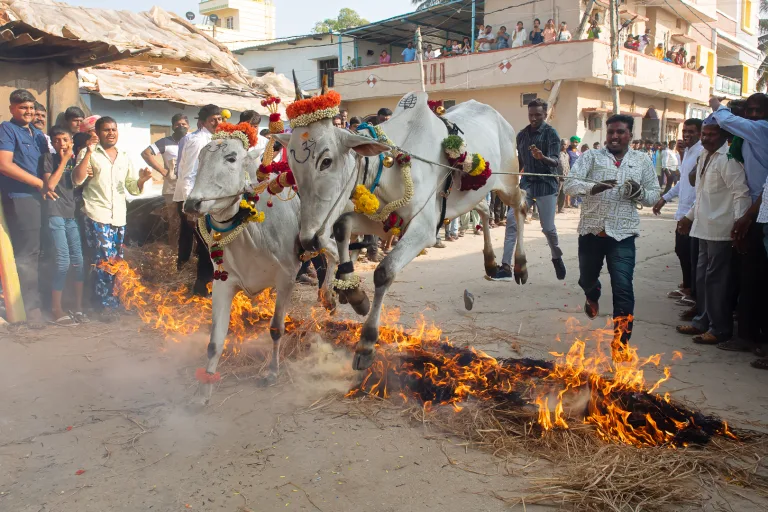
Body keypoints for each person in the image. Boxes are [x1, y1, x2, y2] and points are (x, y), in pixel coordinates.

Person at [564, 115, 660, 351]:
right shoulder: (591, 157)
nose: (615, 136)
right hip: (591, 233)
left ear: (630, 135)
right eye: (611, 132)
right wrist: (592, 187)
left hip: (623, 236)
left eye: (620, 132)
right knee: (586, 279)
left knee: (623, 287)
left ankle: (621, 342)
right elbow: (569, 184)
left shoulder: (642, 161)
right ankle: (592, 293)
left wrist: (638, 192)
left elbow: (653, 195)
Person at [675, 118, 750, 346]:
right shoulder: (705, 157)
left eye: (711, 134)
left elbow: (741, 194)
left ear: (724, 137)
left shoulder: (729, 160)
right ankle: (702, 322)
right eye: (704, 134)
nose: (706, 138)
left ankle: (720, 329)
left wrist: (739, 226)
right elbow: (702, 196)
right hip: (703, 228)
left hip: (721, 230)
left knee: (717, 281)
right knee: (703, 280)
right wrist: (688, 218)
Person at [73, 117, 152, 322]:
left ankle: (113, 300)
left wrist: (141, 181)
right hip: (96, 213)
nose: (111, 133)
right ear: (97, 133)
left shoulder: (124, 156)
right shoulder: (88, 153)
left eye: (114, 130)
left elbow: (132, 188)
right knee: (104, 259)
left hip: (118, 217)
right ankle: (103, 304)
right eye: (106, 130)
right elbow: (76, 180)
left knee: (117, 261)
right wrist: (89, 152)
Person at [709, 94, 768, 367]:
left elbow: (727, 119)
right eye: (750, 110)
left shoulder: (762, 130)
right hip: (755, 214)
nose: (754, 115)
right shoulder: (745, 140)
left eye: (759, 110)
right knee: (750, 278)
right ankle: (748, 334)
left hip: (759, 213)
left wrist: (716, 105)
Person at [491, 98, 565, 282]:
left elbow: (556, 162)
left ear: (545, 114)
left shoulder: (551, 134)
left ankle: (556, 256)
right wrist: (508, 176)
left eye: (538, 115)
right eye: (531, 115)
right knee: (512, 222)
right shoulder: (522, 135)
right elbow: (520, 163)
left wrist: (542, 157)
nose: (533, 118)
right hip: (526, 185)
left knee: (548, 228)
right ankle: (506, 266)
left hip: (546, 185)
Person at [0, 89, 51, 328]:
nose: (28, 112)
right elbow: (4, 165)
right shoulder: (7, 130)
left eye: (31, 108)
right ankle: (30, 308)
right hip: (21, 197)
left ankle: (44, 303)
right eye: (23, 108)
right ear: (12, 108)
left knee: (41, 251)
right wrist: (39, 183)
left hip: (42, 198)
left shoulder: (39, 135)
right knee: (27, 253)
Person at [653, 119, 704, 312]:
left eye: (691, 131)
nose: (686, 135)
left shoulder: (700, 151)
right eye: (685, 131)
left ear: (700, 133)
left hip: (692, 213)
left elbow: (699, 188)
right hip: (683, 211)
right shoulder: (689, 152)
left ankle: (693, 292)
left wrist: (690, 214)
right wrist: (664, 198)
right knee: (682, 251)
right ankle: (687, 286)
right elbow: (683, 182)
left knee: (691, 254)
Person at [174, 104, 222, 296]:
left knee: (211, 244)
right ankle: (201, 286)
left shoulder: (216, 139)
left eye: (220, 118)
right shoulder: (197, 141)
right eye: (213, 120)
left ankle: (208, 283)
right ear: (203, 122)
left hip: (210, 199)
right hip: (194, 200)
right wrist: (190, 208)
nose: (218, 122)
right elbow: (188, 175)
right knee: (205, 245)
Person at [41, 127, 87, 325]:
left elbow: (78, 181)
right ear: (52, 142)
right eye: (57, 140)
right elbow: (50, 185)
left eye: (65, 140)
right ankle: (56, 309)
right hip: (55, 214)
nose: (62, 144)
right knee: (63, 262)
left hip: (71, 214)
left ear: (71, 142)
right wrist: (65, 160)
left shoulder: (77, 158)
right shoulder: (48, 158)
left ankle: (78, 307)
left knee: (79, 261)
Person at [141, 114, 189, 249]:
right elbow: (146, 153)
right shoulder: (164, 142)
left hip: (189, 188)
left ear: (188, 126)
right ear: (173, 126)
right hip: (172, 188)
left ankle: (190, 251)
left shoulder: (192, 140)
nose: (181, 127)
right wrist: (162, 171)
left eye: (184, 124)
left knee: (191, 220)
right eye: (178, 125)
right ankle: (174, 251)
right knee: (174, 221)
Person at [557, 139, 570, 213]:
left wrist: (568, 175)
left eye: (564, 144)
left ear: (568, 145)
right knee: (557, 193)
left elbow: (567, 166)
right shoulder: (558, 154)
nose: (562, 146)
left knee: (563, 193)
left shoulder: (567, 155)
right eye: (561, 144)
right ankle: (553, 209)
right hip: (558, 176)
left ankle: (561, 208)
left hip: (565, 177)